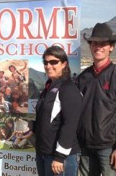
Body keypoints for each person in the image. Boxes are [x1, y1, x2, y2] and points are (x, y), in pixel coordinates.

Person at [76, 22, 116, 176]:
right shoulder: (83, 78)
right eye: (94, 43)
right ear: (90, 46)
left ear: (111, 47)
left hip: (109, 147)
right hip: (84, 147)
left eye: (103, 44)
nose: (98, 47)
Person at [35, 46, 82, 176]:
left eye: (54, 62)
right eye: (45, 62)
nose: (48, 65)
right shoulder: (48, 88)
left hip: (60, 158)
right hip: (44, 153)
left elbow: (71, 124)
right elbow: (46, 117)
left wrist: (60, 157)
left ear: (64, 64)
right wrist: (31, 129)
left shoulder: (68, 88)